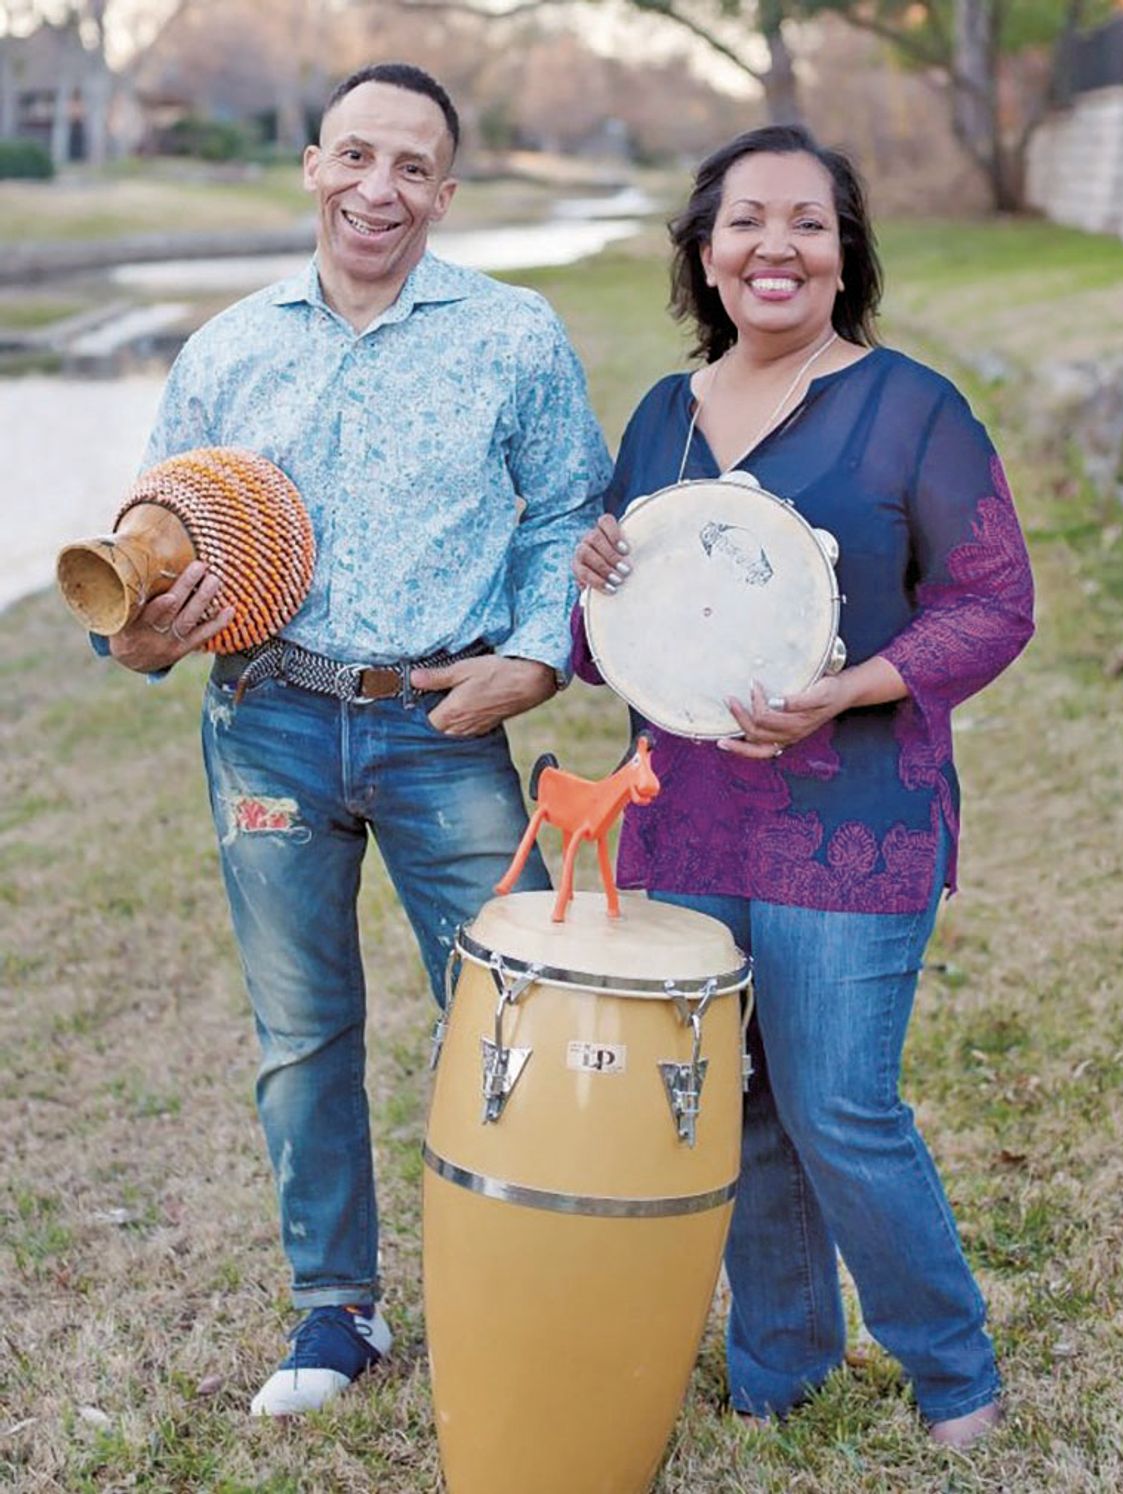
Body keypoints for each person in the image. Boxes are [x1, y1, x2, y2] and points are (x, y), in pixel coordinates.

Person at [104, 62, 611, 1416]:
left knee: (514, 1013)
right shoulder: (226, 348)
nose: (379, 189)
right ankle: (337, 1313)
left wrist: (532, 657)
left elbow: (570, 507)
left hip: (440, 729)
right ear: (313, 165)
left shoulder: (514, 336)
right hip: (265, 724)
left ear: (447, 191)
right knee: (303, 1029)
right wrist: (137, 637)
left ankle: (536, 1278)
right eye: (356, 157)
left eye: (412, 168)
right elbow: (154, 540)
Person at [571, 124, 1033, 1450]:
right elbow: (629, 635)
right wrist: (594, 575)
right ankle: (784, 1365)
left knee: (840, 1101)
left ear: (845, 255)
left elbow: (996, 601)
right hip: (687, 811)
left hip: (855, 813)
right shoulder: (665, 414)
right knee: (743, 1100)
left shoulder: (913, 408)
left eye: (810, 223)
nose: (778, 245)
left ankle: (955, 1375)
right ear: (706, 253)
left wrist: (852, 684)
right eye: (747, 221)